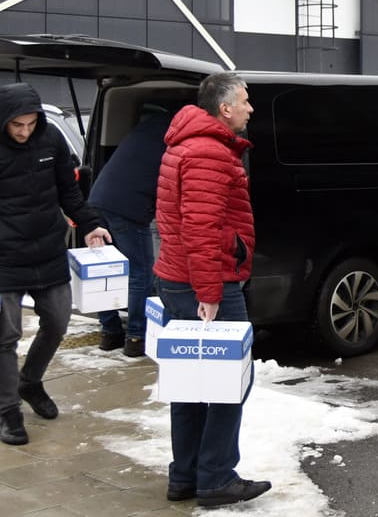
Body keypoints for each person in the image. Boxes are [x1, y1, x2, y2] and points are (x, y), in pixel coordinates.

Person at [153, 73, 271, 508]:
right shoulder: (208, 152)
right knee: (230, 380)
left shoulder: (187, 143)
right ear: (224, 109)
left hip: (178, 277)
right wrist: (210, 292)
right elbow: (200, 228)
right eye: (245, 101)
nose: (250, 108)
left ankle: (185, 475)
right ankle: (216, 477)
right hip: (206, 281)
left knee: (189, 381)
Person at [0, 83, 111, 446]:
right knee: (6, 337)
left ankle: (30, 381)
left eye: (30, 124)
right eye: (17, 125)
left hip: (48, 250)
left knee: (58, 322)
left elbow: (69, 190)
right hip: (5, 258)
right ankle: (8, 412)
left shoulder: (51, 141)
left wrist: (91, 224)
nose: (24, 131)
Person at [91, 107, 172, 357]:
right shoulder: (175, 136)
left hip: (98, 200)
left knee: (107, 272)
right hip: (127, 209)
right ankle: (136, 336)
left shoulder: (147, 128)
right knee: (140, 274)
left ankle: (110, 332)